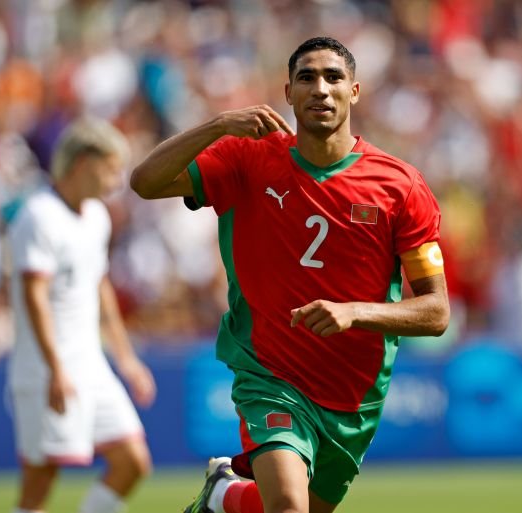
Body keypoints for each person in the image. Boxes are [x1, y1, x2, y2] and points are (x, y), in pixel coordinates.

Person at [131, 36, 450, 513]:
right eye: (307, 78)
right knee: (288, 508)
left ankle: (222, 496)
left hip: (353, 395)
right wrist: (218, 125)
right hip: (270, 375)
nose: (320, 88)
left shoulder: (399, 186)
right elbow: (145, 182)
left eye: (333, 77)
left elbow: (437, 310)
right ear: (288, 92)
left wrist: (353, 313)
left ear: (355, 91)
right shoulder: (246, 157)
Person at [7, 116, 156, 513]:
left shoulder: (97, 217)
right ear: (82, 163)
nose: (116, 178)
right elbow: (33, 297)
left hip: (90, 364)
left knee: (133, 461)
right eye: (110, 167)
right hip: (45, 369)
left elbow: (100, 286)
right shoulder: (38, 215)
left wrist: (126, 359)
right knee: (40, 485)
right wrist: (55, 368)